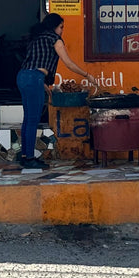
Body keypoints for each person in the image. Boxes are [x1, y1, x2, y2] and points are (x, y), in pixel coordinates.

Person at [16, 13, 99, 169]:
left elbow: (33, 62)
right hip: (35, 78)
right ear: (54, 26)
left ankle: (25, 155)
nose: (62, 31)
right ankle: (29, 159)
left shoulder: (36, 38)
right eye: (61, 27)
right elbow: (68, 64)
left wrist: (42, 84)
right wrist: (87, 75)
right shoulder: (55, 40)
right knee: (33, 119)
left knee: (28, 118)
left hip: (23, 77)